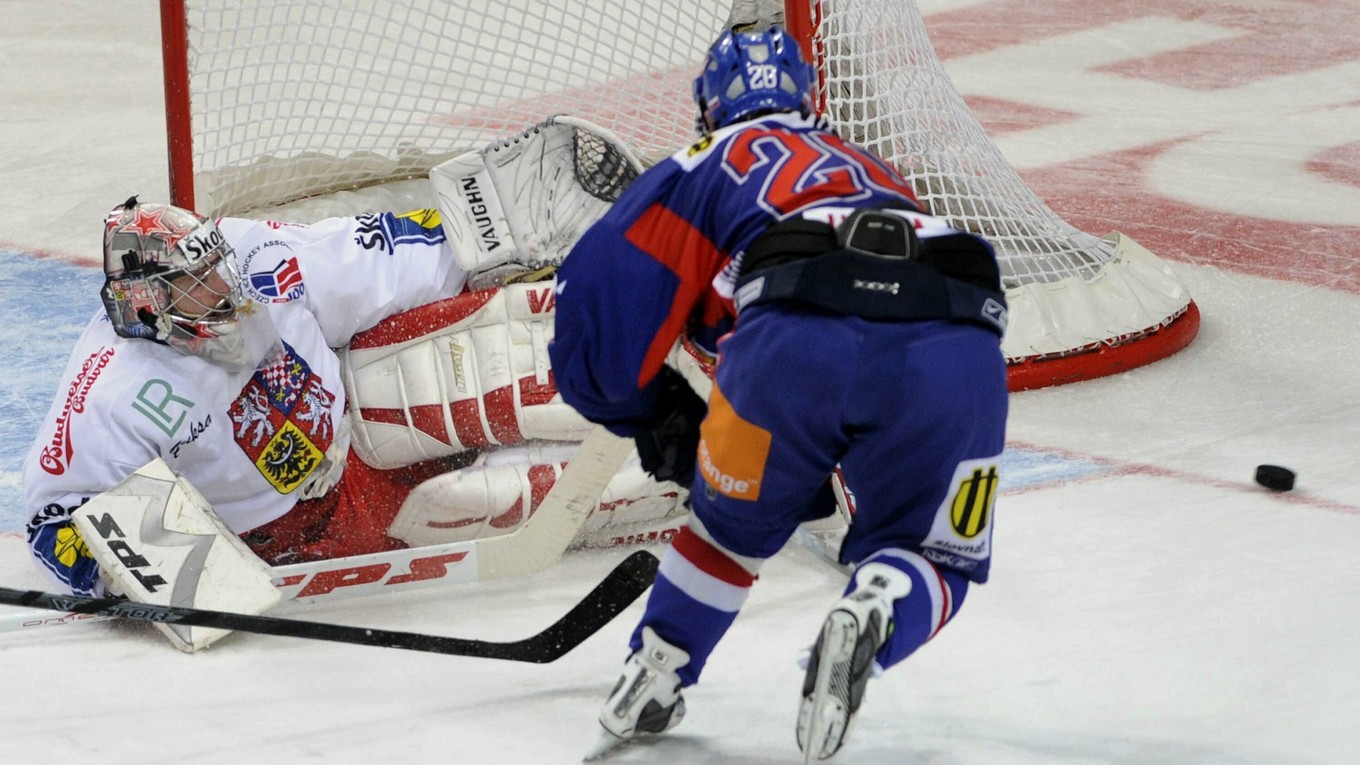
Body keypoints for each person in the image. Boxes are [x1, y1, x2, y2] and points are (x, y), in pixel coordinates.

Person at [549, 26, 1010, 760]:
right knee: (935, 553)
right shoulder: (869, 166)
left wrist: (648, 411)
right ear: (808, 100)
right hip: (958, 339)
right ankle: (875, 605)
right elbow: (882, 316)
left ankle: (654, 673)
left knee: (726, 530)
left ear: (708, 107)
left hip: (793, 343)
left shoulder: (702, 161)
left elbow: (594, 311)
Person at [21, 193, 679, 601]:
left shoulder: (254, 256)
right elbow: (54, 518)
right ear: (148, 302)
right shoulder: (109, 396)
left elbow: (375, 259)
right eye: (196, 281)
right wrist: (121, 570)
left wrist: (489, 252)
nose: (222, 284)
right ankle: (690, 481)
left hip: (362, 410)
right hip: (303, 531)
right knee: (526, 498)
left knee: (517, 339)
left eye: (213, 264)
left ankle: (690, 371)